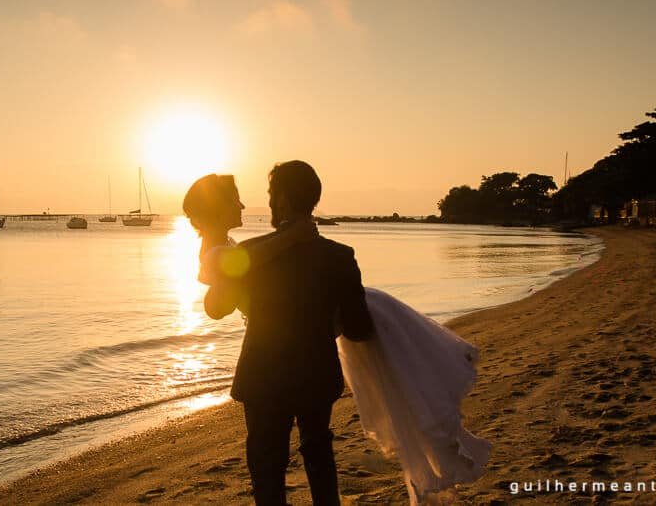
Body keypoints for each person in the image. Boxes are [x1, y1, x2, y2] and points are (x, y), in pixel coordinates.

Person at [185, 162, 490, 505]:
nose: (265, 204)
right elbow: (359, 331)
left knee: (267, 465)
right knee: (318, 454)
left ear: (282, 200)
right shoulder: (340, 257)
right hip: (317, 374)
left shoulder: (253, 255)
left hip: (263, 375)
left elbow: (216, 307)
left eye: (271, 195)